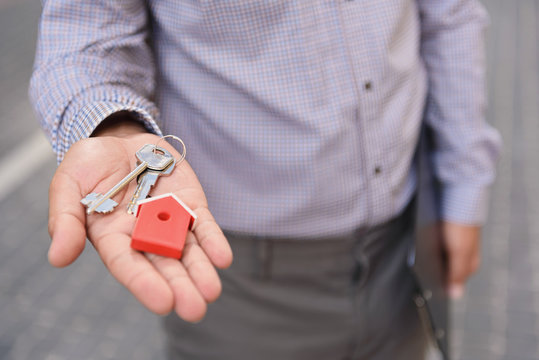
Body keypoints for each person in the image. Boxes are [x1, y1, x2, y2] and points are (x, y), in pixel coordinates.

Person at [30, 1, 501, 359]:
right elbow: (82, 36)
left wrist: (464, 186)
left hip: (406, 246)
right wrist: (113, 127)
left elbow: (449, 15)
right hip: (239, 282)